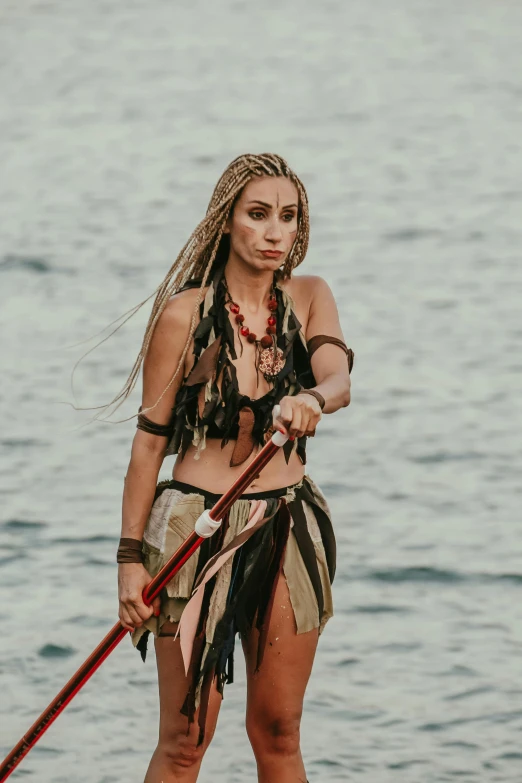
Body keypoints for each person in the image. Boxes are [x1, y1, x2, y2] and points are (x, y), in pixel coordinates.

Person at [113, 153, 353, 783]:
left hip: (288, 526)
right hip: (192, 530)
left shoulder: (309, 296)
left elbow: (338, 377)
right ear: (226, 222)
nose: (276, 233)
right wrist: (129, 560)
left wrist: (312, 399)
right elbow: (147, 446)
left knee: (278, 730)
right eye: (258, 215)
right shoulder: (182, 316)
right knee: (186, 736)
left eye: (289, 218)